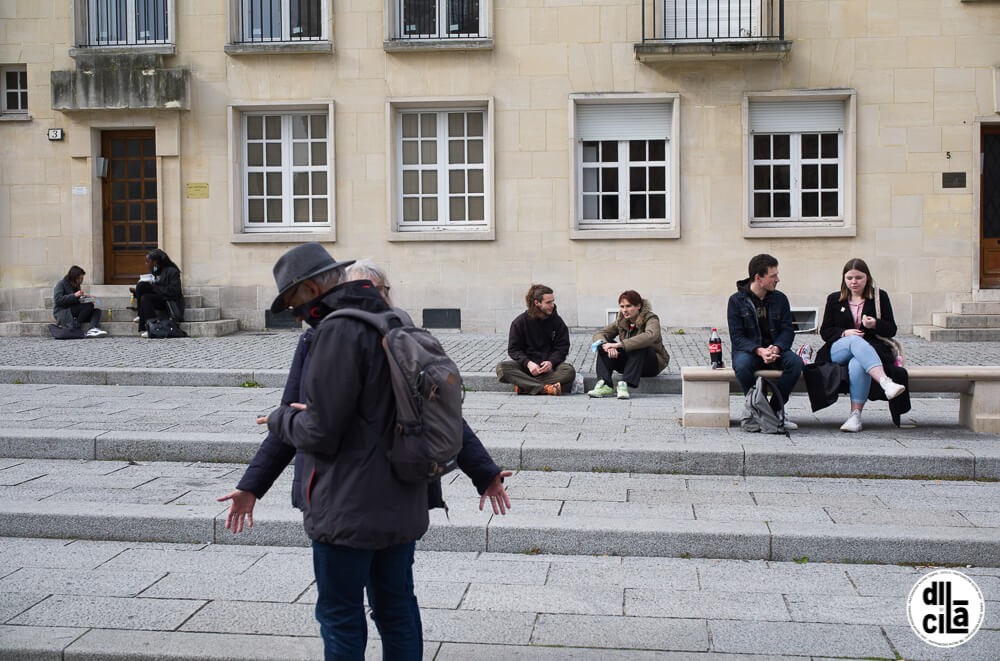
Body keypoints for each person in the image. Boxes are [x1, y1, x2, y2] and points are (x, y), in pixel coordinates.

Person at [218, 245, 509, 659]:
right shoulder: (396, 323)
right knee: (397, 608)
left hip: (346, 506)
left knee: (340, 616)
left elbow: (319, 432)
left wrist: (281, 417)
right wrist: (254, 483)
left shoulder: (337, 331)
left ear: (312, 287)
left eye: (292, 302)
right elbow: (438, 414)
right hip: (403, 499)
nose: (295, 313)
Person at [814, 258, 908, 432]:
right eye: (849, 278)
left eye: (858, 277)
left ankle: (855, 416)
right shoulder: (835, 299)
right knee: (854, 340)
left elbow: (892, 329)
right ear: (844, 278)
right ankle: (886, 383)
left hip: (869, 351)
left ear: (868, 278)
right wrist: (844, 333)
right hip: (838, 349)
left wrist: (875, 324)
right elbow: (825, 331)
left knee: (857, 363)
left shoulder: (880, 297)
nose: (854, 282)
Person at [726, 254, 803, 428]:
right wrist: (759, 350)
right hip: (749, 351)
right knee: (743, 365)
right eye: (773, 276)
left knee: (796, 363)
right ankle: (756, 409)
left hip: (776, 350)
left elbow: (787, 330)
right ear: (758, 278)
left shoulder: (780, 299)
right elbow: (737, 337)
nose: (778, 279)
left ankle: (775, 410)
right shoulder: (736, 301)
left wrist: (776, 347)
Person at [587, 290, 669, 400]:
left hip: (651, 364)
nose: (624, 310)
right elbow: (600, 333)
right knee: (602, 343)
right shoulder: (622, 320)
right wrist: (607, 345)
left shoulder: (651, 318)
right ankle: (605, 384)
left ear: (638, 306)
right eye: (622, 306)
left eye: (628, 306)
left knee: (640, 343)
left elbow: (651, 335)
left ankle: (624, 384)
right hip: (630, 363)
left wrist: (620, 345)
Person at [496, 284, 575, 395]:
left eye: (553, 301)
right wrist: (528, 363)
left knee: (568, 371)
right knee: (502, 368)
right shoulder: (519, 323)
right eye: (548, 303)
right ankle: (545, 388)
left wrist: (551, 362)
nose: (552, 305)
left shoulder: (557, 322)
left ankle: (525, 386)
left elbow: (562, 347)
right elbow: (514, 350)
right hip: (526, 368)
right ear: (536, 303)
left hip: (549, 369)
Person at [134, 248, 184, 338]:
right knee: (141, 285)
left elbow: (174, 291)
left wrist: (154, 287)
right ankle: (140, 315)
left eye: (148, 261)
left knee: (146, 298)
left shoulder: (172, 271)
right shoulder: (155, 270)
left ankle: (153, 327)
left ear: (155, 262)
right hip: (159, 295)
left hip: (169, 300)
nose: (146, 264)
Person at [52, 265, 107, 337]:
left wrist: (86, 298)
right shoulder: (61, 284)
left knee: (97, 311)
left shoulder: (76, 285)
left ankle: (92, 329)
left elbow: (77, 301)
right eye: (80, 278)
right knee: (89, 306)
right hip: (64, 312)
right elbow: (58, 300)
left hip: (73, 311)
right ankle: (75, 326)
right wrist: (74, 295)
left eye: (82, 278)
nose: (82, 281)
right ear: (74, 277)